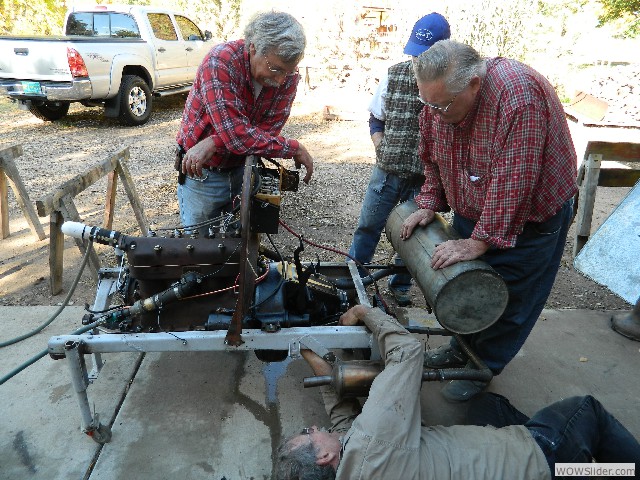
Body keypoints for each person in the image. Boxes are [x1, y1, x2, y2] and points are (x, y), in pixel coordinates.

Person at [400, 40, 579, 401]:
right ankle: (461, 348)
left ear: (474, 84)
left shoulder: (518, 97)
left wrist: (480, 241)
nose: (433, 113)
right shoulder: (440, 101)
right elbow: (430, 156)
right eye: (427, 103)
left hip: (531, 217)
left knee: (512, 299)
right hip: (478, 208)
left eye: (442, 105)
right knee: (468, 286)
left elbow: (515, 181)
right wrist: (430, 201)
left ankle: (484, 367)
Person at [275, 305, 640, 480]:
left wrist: (310, 351)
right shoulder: (374, 440)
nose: (312, 426)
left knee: (486, 405)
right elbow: (406, 351)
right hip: (539, 459)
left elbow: (343, 421)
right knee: (585, 411)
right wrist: (366, 313)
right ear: (323, 456)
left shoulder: (352, 466)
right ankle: (611, 472)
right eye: (308, 433)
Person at [175, 11, 314, 230]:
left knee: (239, 246)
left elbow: (269, 130)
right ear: (253, 47)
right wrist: (292, 148)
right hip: (202, 172)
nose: (280, 80)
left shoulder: (288, 75)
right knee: (198, 248)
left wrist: (214, 141)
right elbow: (237, 136)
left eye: (287, 72)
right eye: (275, 69)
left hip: (243, 168)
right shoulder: (220, 62)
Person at [348, 13, 450, 307]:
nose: (419, 61)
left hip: (425, 181)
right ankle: (353, 277)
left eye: (426, 55)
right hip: (387, 174)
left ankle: (400, 284)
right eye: (416, 54)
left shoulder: (450, 85)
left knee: (413, 237)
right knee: (368, 226)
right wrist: (382, 148)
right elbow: (375, 120)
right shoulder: (393, 75)